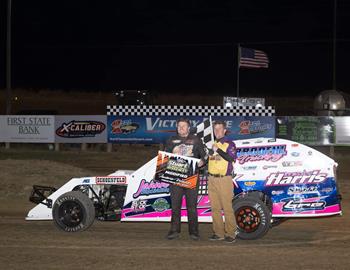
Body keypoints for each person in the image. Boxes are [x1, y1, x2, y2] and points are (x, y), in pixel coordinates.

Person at [164, 118, 206, 241]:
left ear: (188, 127)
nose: (181, 128)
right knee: (175, 206)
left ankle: (194, 232)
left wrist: (202, 162)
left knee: (191, 206)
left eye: (183, 126)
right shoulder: (171, 140)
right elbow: (165, 158)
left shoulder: (196, 140)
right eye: (179, 126)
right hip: (175, 177)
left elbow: (204, 156)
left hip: (191, 177)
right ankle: (174, 231)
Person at [207, 120, 237, 243]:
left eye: (220, 129)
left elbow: (231, 158)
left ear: (224, 130)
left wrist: (217, 150)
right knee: (215, 208)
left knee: (227, 207)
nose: (217, 131)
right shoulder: (213, 144)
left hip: (224, 179)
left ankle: (231, 233)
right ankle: (218, 233)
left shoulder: (229, 143)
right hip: (212, 179)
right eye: (215, 129)